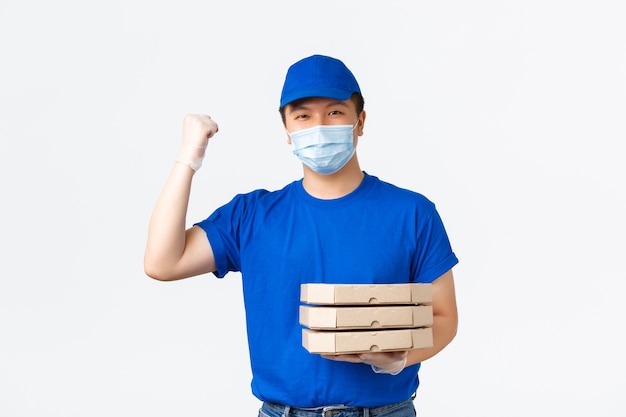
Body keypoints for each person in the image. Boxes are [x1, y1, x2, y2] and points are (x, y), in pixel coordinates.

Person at [144, 54, 459, 417]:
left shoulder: (412, 213)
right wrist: (188, 158)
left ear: (361, 122)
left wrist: (401, 358)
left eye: (335, 112)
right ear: (287, 129)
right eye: (303, 115)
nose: (319, 125)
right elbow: (162, 262)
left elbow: (444, 317)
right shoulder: (251, 216)